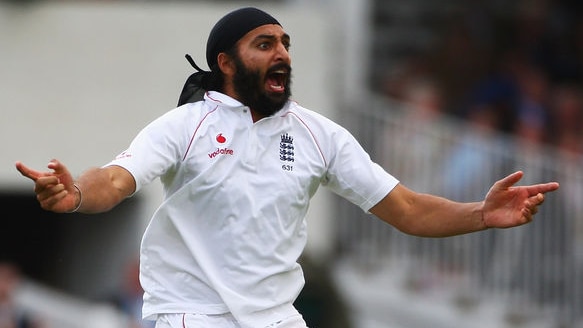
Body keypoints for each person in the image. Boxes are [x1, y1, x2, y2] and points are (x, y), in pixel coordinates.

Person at [14, 7, 560, 328]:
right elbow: (114, 179)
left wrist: (480, 215)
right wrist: (75, 194)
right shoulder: (186, 126)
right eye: (264, 44)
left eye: (285, 43)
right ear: (225, 63)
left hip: (277, 319)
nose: (282, 54)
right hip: (191, 316)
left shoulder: (320, 135)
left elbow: (407, 209)